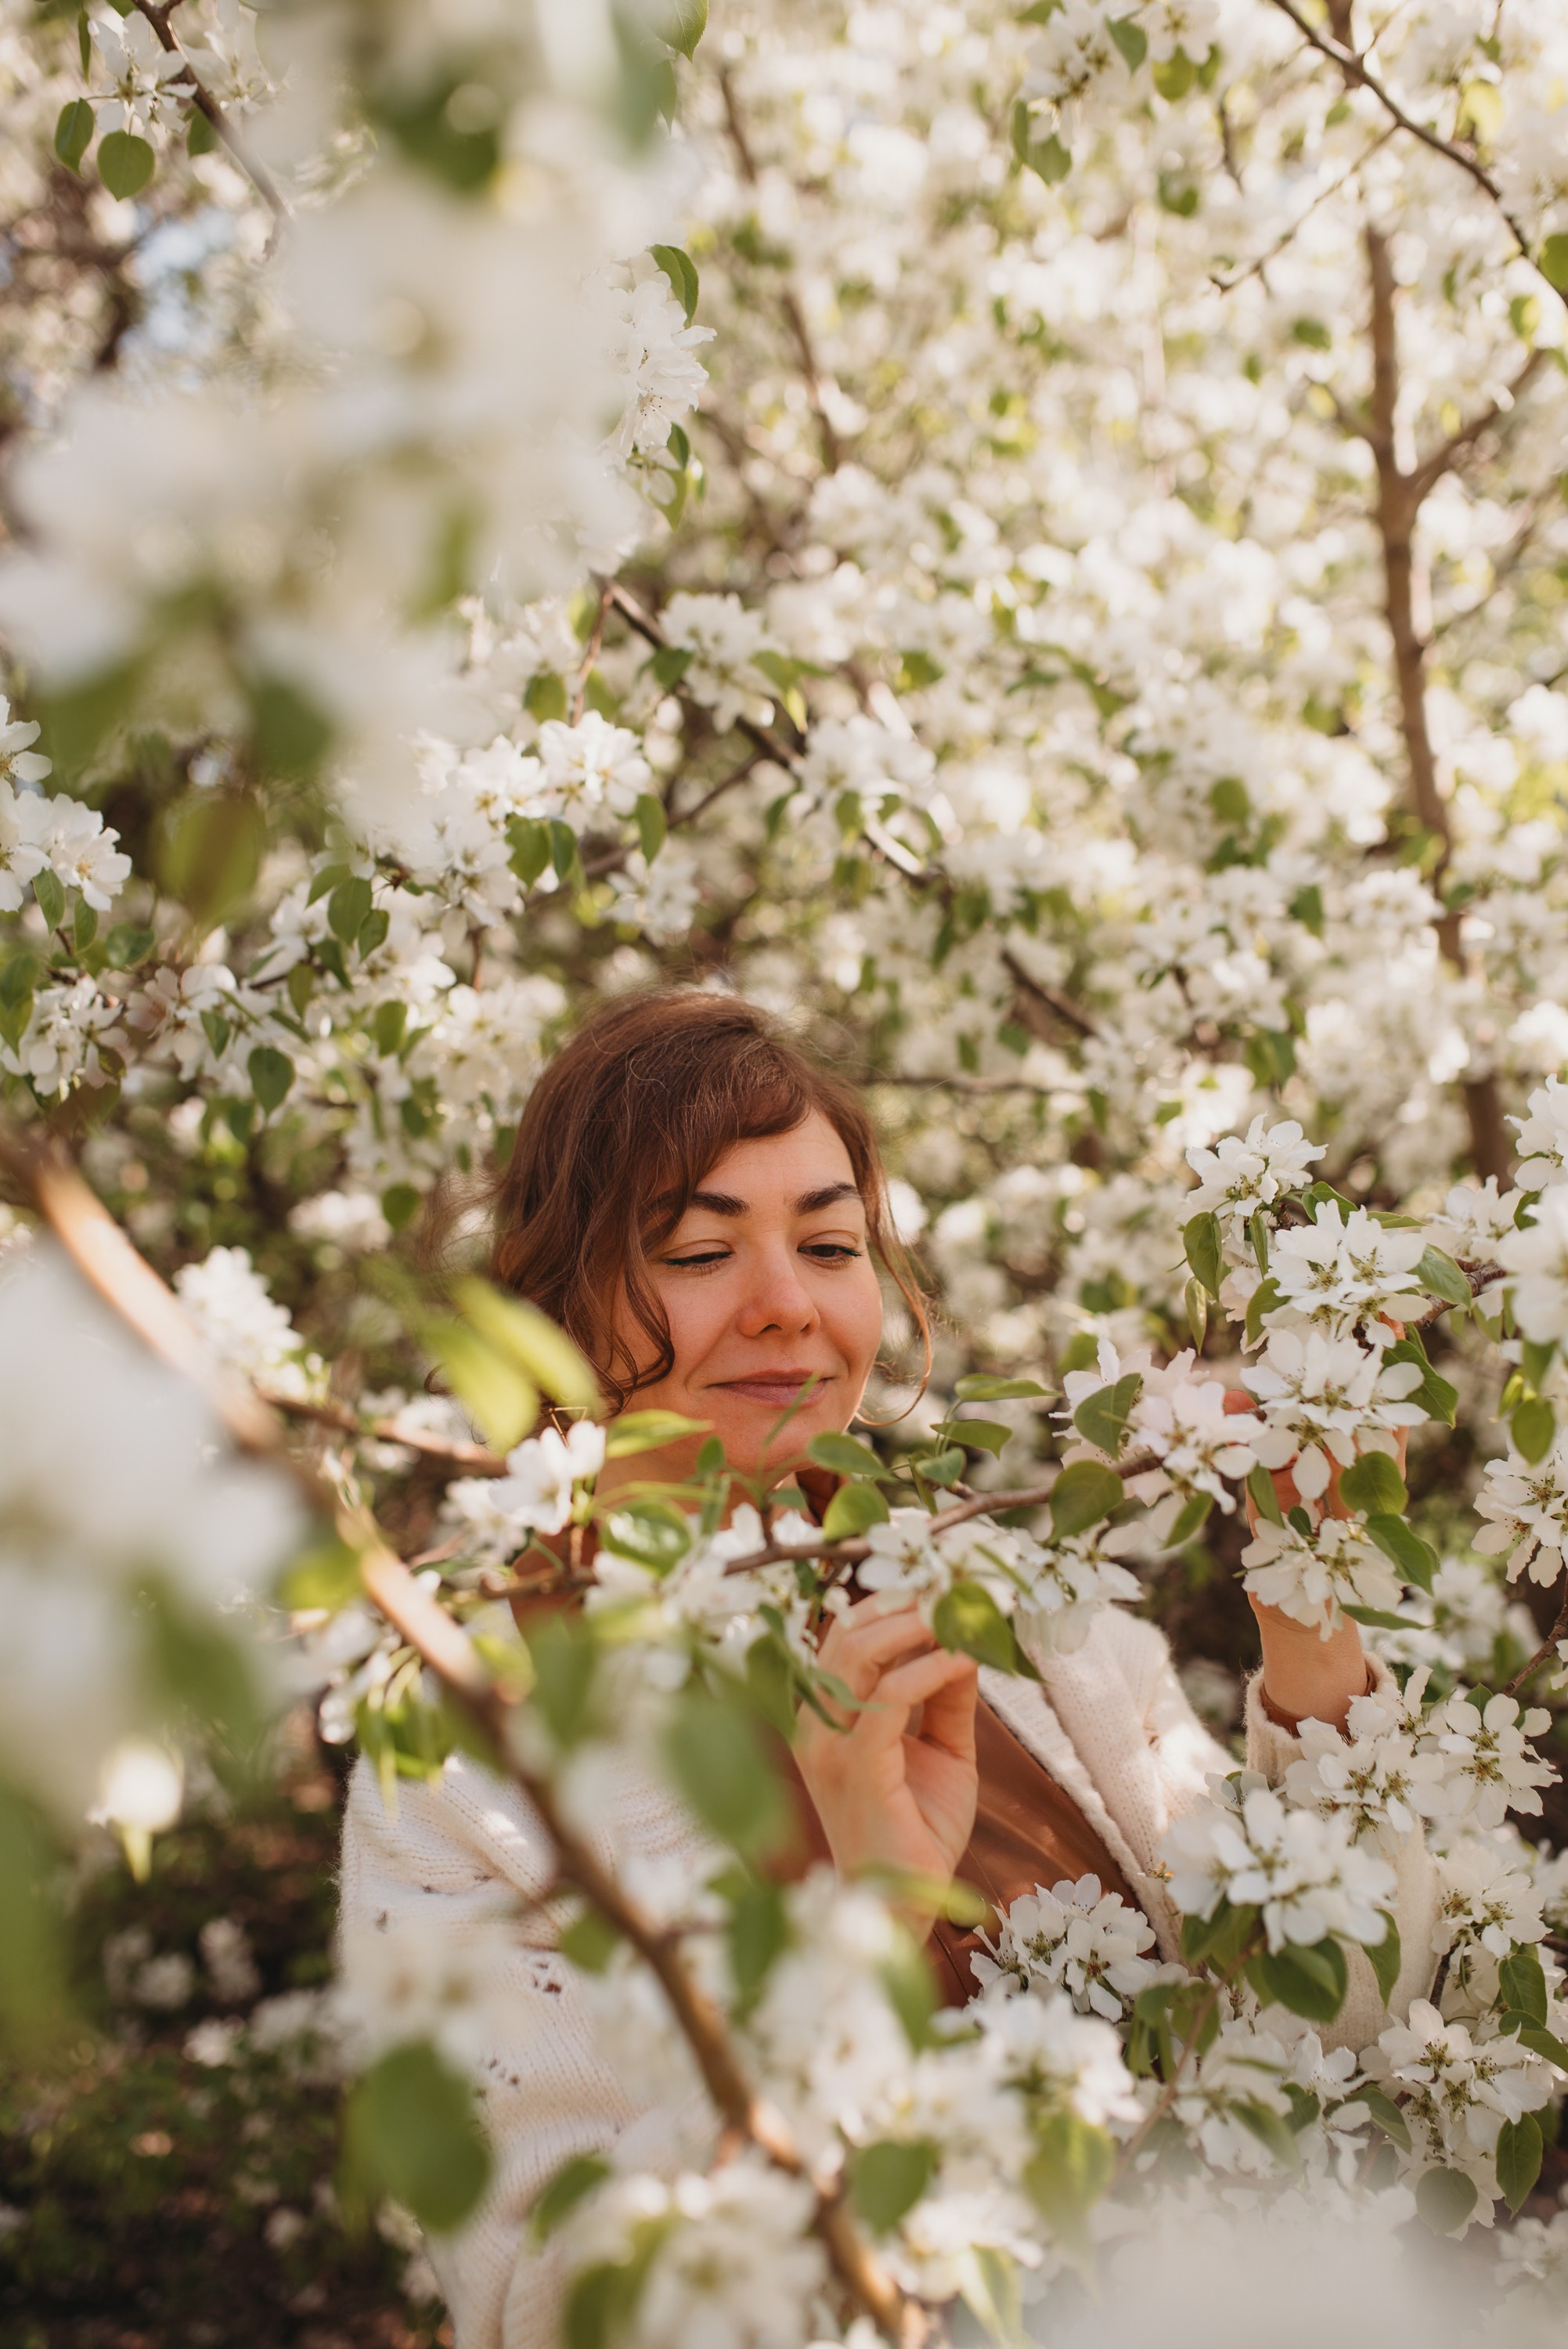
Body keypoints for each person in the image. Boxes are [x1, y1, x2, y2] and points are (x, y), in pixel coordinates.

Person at [340, 990, 1438, 2349]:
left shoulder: (1031, 1619)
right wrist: (863, 1926)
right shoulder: (460, 1751)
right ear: (556, 1302)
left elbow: (1357, 2029)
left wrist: (1311, 1599)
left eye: (828, 1243)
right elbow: (547, 2309)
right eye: (695, 1250)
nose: (786, 1306)